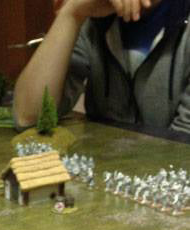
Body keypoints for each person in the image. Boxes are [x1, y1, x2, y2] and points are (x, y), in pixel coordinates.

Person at [13, 0, 190, 135]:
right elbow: (29, 117)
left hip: (166, 170)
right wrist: (72, 13)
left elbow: (183, 145)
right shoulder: (96, 19)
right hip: (104, 167)